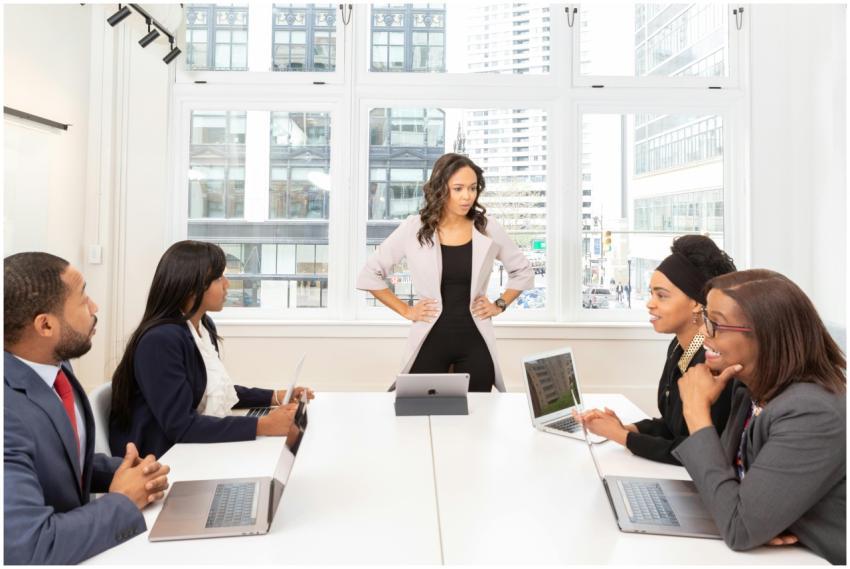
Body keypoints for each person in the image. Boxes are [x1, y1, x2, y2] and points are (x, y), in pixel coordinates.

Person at [4, 252, 170, 564]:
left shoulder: (55, 364)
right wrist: (123, 500)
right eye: (83, 299)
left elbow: (60, 458)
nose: (94, 307)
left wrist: (131, 474)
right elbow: (28, 548)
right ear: (45, 325)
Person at [673, 269, 845, 564]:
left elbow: (739, 527)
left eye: (716, 325)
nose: (703, 334)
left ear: (766, 335)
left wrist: (696, 413)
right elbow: (727, 489)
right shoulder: (749, 390)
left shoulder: (812, 413)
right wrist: (754, 518)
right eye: (705, 319)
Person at [109, 241, 313, 458]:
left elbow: (210, 389)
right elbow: (180, 426)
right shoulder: (160, 341)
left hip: (191, 445)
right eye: (218, 278)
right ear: (190, 287)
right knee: (284, 440)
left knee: (289, 437)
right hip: (163, 458)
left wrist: (274, 396)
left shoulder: (203, 326)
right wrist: (261, 425)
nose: (227, 284)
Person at [357, 153, 534, 392]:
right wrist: (406, 310)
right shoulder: (415, 227)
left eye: (473, 188)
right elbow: (370, 274)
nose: (467, 196)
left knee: (476, 418)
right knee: (417, 415)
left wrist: (500, 304)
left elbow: (522, 271)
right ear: (441, 189)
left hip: (475, 342)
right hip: (430, 339)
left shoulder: (487, 227)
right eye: (458, 188)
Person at [578, 236, 736, 464]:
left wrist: (622, 437)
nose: (650, 304)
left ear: (696, 302)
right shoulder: (680, 348)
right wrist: (623, 428)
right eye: (651, 293)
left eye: (661, 295)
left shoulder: (714, 360)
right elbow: (672, 426)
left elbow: (695, 448)